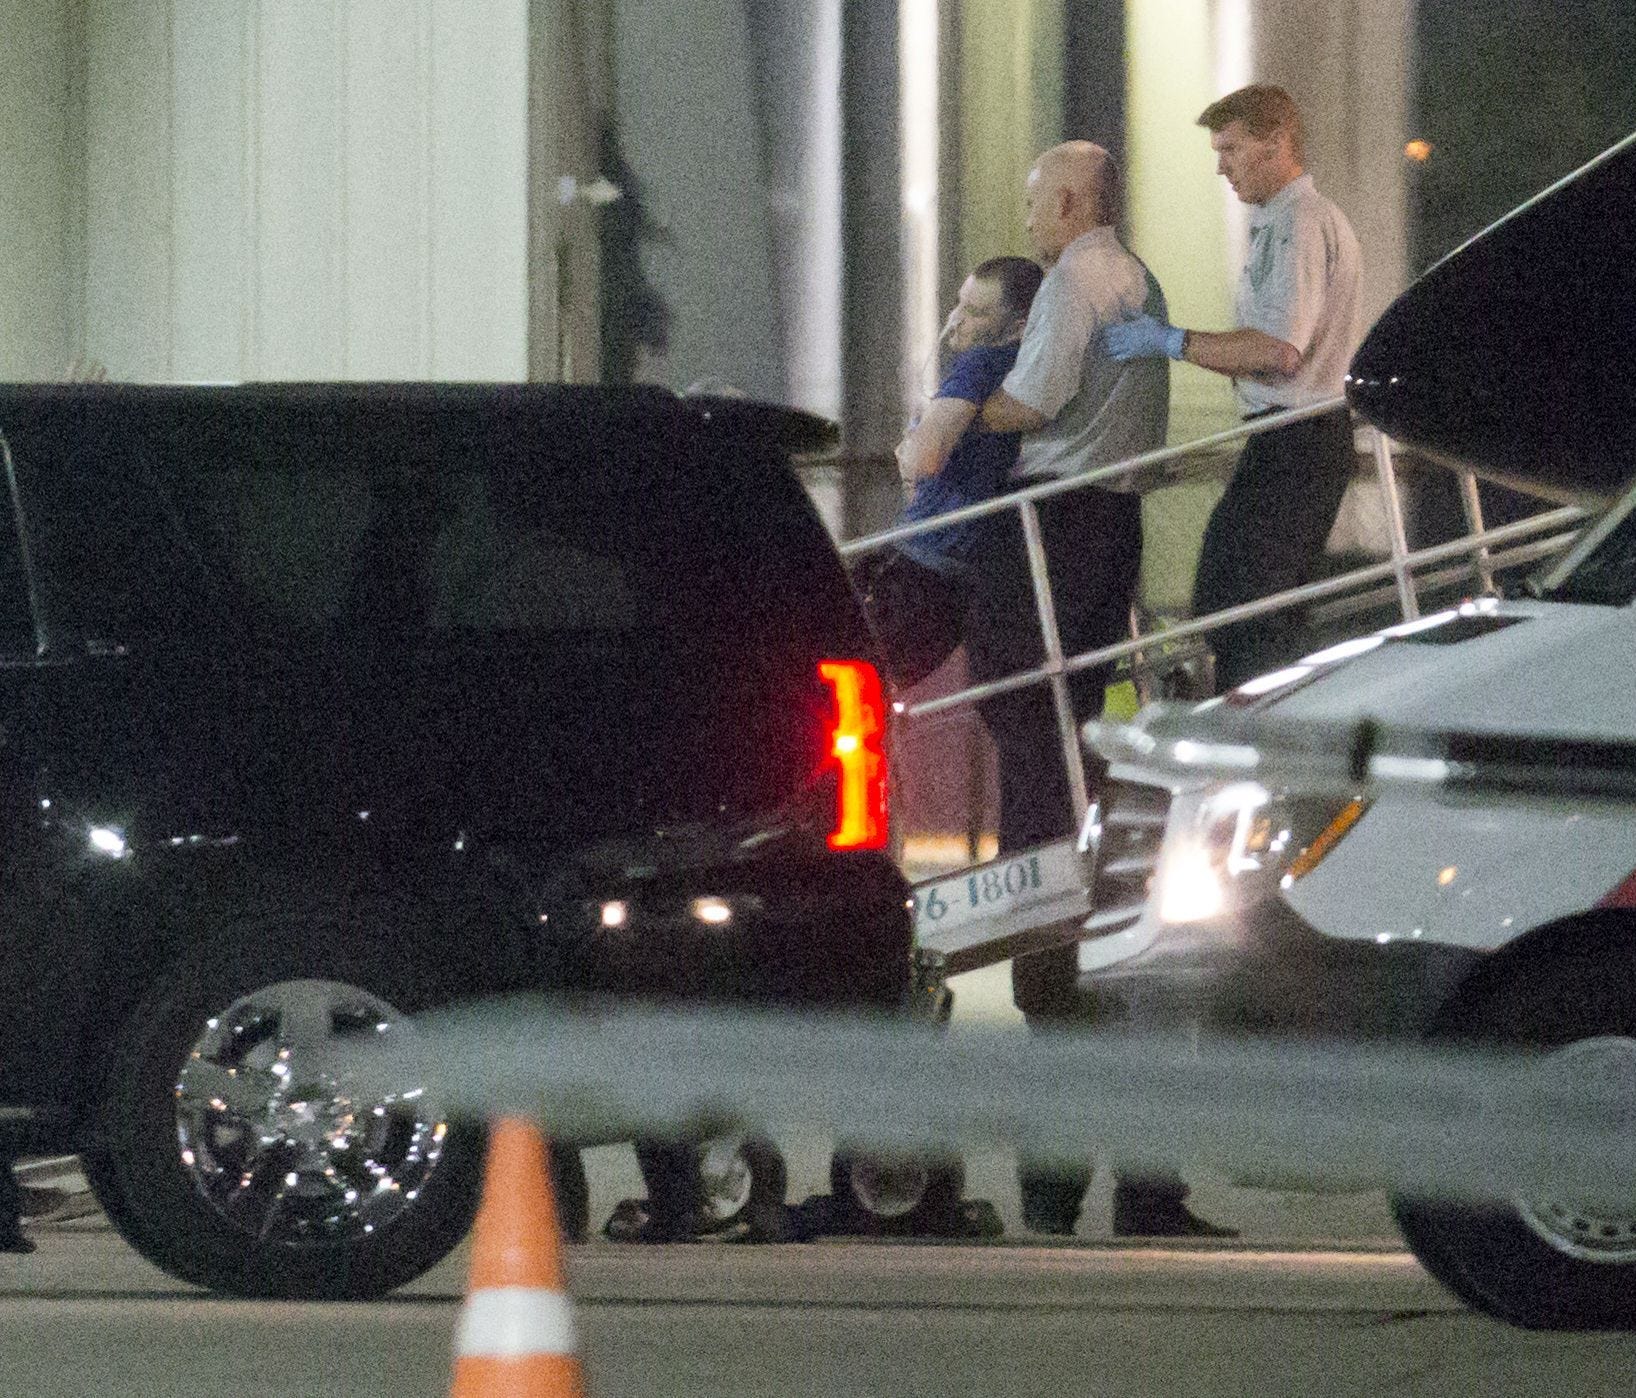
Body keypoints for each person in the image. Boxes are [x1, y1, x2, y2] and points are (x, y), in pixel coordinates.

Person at [972, 139, 1233, 1239]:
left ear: (1071, 201)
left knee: (1031, 767)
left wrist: (954, 410)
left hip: (1053, 529)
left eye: (1035, 199)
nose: (1030, 215)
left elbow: (1031, 404)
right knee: (1082, 769)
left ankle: (1053, 1182)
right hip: (1109, 530)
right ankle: (1133, 1181)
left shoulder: (1073, 281)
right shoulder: (1141, 277)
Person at [1105, 84, 1362, 693]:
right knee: (1246, 603)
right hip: (1297, 436)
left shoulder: (1296, 223)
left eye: (1232, 149)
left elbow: (1277, 349)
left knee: (1240, 608)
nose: (1221, 166)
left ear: (1276, 144)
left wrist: (1170, 341)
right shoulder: (1289, 220)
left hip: (1294, 437)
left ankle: (1247, 746)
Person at [853, 255, 1045, 688]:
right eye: (960, 304)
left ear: (1017, 326)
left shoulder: (982, 365)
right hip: (959, 573)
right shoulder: (1029, 371)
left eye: (975, 312)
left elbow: (925, 457)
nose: (955, 320)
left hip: (925, 563)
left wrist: (912, 447)